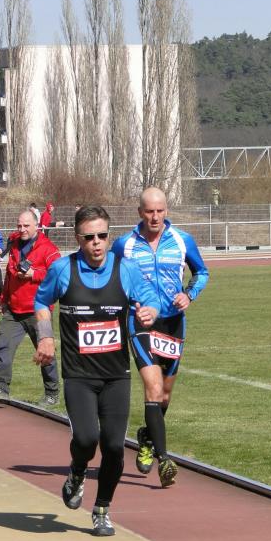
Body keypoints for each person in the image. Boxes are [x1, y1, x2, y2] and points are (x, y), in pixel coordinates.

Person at [33, 205, 160, 536]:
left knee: (115, 447)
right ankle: (77, 471)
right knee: (87, 439)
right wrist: (45, 337)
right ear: (78, 238)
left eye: (102, 236)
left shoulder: (125, 269)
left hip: (116, 375)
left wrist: (150, 310)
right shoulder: (63, 269)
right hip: (79, 375)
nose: (97, 243)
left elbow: (151, 298)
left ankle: (102, 509)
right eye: (89, 237)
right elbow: (41, 302)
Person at [112, 187, 209, 487]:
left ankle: (147, 437)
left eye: (160, 211)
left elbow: (202, 272)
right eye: (149, 211)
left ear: (166, 211)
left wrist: (189, 294)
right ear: (139, 212)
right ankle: (164, 460)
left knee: (165, 394)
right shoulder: (124, 244)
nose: (155, 217)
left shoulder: (182, 240)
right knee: (152, 388)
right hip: (141, 323)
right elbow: (111, 278)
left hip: (173, 323)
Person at [0, 210, 61, 407]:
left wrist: (35, 273)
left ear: (37, 226)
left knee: (44, 352)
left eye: (26, 226)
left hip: (38, 311)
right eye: (19, 226)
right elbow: (9, 275)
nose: (22, 229)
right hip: (13, 310)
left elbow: (58, 275)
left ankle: (52, 393)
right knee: (3, 346)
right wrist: (3, 299)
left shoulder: (48, 248)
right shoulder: (14, 244)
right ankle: (1, 388)